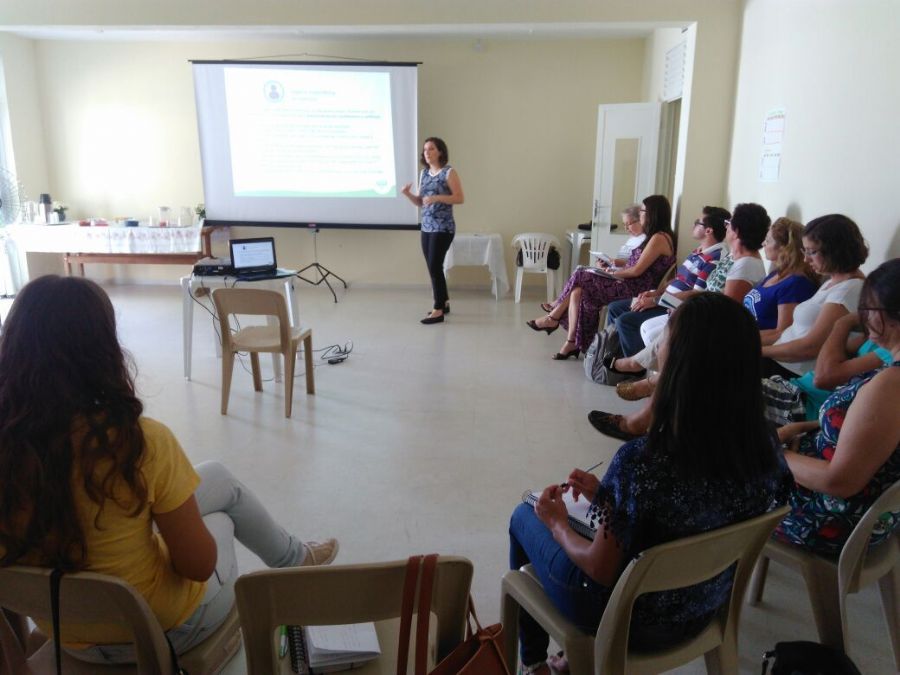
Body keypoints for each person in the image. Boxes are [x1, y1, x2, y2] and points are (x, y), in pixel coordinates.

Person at [0, 276, 338, 663]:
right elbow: (198, 566)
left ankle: (296, 557)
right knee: (221, 519)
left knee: (217, 477)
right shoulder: (137, 442)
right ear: (103, 350)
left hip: (66, 632)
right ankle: (295, 564)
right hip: (161, 629)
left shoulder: (10, 446)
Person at [509, 294, 792, 675]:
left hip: (626, 621)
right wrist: (606, 494)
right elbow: (693, 514)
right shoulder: (766, 446)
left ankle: (533, 663)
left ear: (678, 363)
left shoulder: (642, 461)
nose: (657, 349)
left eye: (664, 341)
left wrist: (557, 521)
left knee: (524, 516)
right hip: (704, 606)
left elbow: (600, 569)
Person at [774, 258, 900, 555]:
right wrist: (805, 428)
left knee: (718, 470)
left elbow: (840, 481)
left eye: (867, 308)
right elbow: (872, 431)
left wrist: (772, 452)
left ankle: (702, 566)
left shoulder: (890, 384)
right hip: (863, 511)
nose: (862, 316)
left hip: (827, 517)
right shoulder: (889, 374)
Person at [526, 195, 676, 360]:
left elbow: (636, 271)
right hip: (630, 282)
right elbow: (635, 264)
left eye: (642, 211)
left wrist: (612, 273)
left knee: (581, 274)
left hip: (635, 288)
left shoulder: (659, 238)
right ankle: (572, 342)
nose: (640, 214)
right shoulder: (655, 236)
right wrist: (611, 267)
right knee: (579, 291)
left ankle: (554, 316)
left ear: (652, 213)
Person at [605, 205, 729, 357]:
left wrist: (656, 300)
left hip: (674, 305)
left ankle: (635, 366)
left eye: (698, 222)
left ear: (708, 230)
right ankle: (613, 356)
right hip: (663, 298)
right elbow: (677, 280)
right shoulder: (698, 251)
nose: (693, 225)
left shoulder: (715, 258)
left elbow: (696, 294)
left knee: (626, 321)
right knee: (615, 308)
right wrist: (656, 293)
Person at [761, 214, 868, 378]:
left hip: (790, 372)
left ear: (834, 250)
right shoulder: (832, 281)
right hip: (778, 359)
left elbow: (811, 347)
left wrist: (759, 350)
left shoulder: (848, 290)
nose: (805, 259)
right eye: (805, 251)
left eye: (811, 252)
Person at [402, 137, 464, 325]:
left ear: (440, 152)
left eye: (431, 149)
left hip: (443, 227)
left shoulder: (449, 172)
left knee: (435, 266)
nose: (427, 153)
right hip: (427, 226)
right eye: (425, 150)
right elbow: (421, 202)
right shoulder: (424, 174)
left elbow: (459, 198)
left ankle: (438, 310)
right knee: (432, 266)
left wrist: (437, 197)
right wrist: (408, 194)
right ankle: (444, 302)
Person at [745, 217, 818, 341]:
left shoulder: (796, 284)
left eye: (768, 241)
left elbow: (783, 332)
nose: (763, 244)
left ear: (785, 248)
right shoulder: (776, 273)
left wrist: (741, 339)